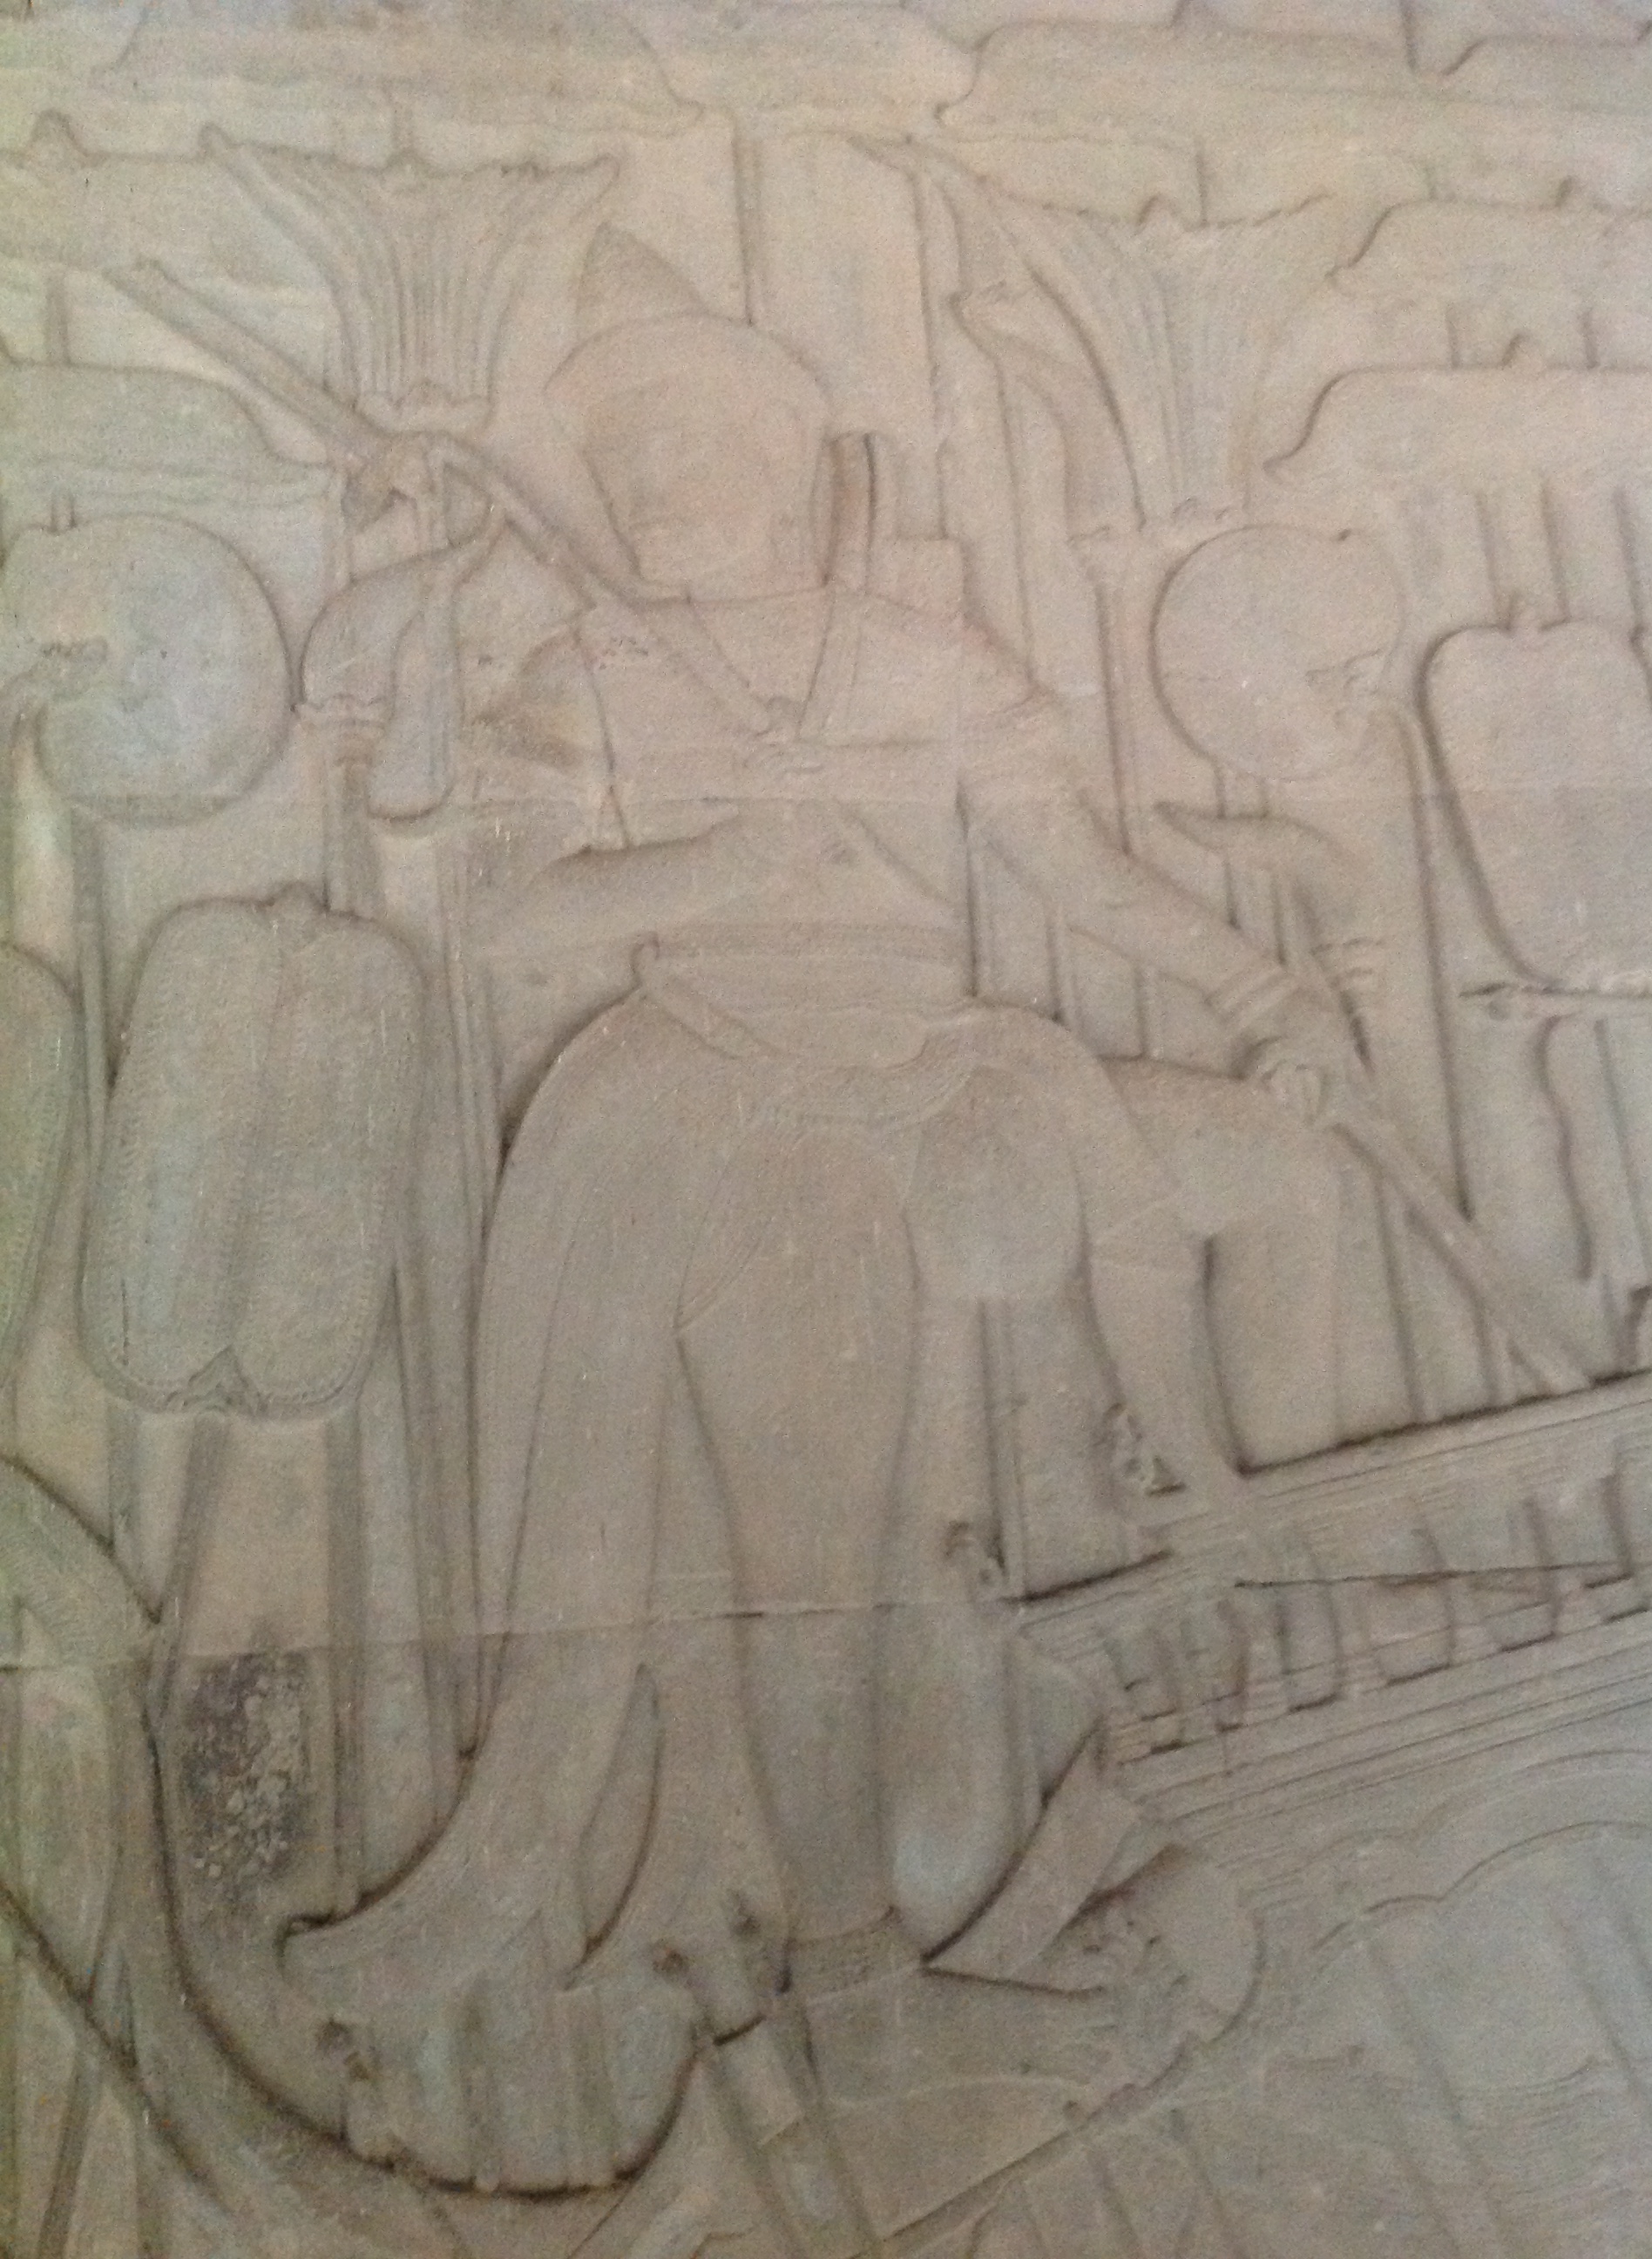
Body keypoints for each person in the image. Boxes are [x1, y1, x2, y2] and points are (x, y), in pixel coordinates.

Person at [284, 231, 1348, 2209]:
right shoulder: (594, 672)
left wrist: (1262, 997)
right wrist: (707, 864)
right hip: (723, 1098)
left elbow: (1081, 875)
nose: (655, 492)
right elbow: (502, 921)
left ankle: (1227, 1532)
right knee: (815, 1558)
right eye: (628, 463)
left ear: (775, 461)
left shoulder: (920, 662)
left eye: (688, 451)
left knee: (1261, 1178)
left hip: (951, 1068)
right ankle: (859, 1987)